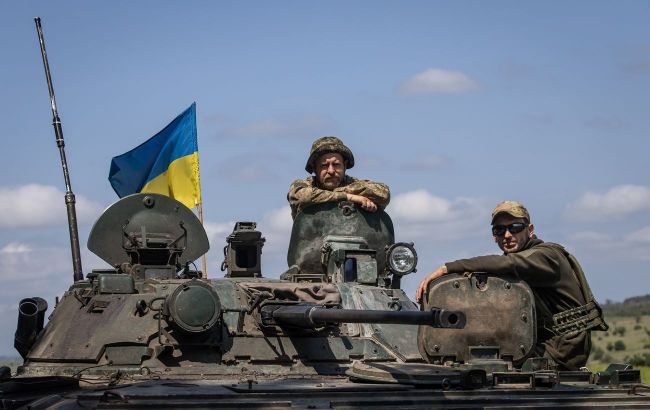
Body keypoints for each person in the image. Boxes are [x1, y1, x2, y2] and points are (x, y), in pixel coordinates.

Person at [415, 200, 607, 370]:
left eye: (515, 227)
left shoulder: (546, 256)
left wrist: (448, 268)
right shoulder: (519, 262)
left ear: (530, 230)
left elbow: (510, 264)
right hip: (539, 343)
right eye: (499, 230)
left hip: (561, 349)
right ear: (494, 236)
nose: (507, 234)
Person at [287, 136, 390, 219]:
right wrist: (350, 197)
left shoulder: (352, 183)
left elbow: (383, 193)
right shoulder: (304, 185)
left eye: (336, 164)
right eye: (324, 165)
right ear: (314, 168)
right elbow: (300, 196)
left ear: (345, 165)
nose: (331, 171)